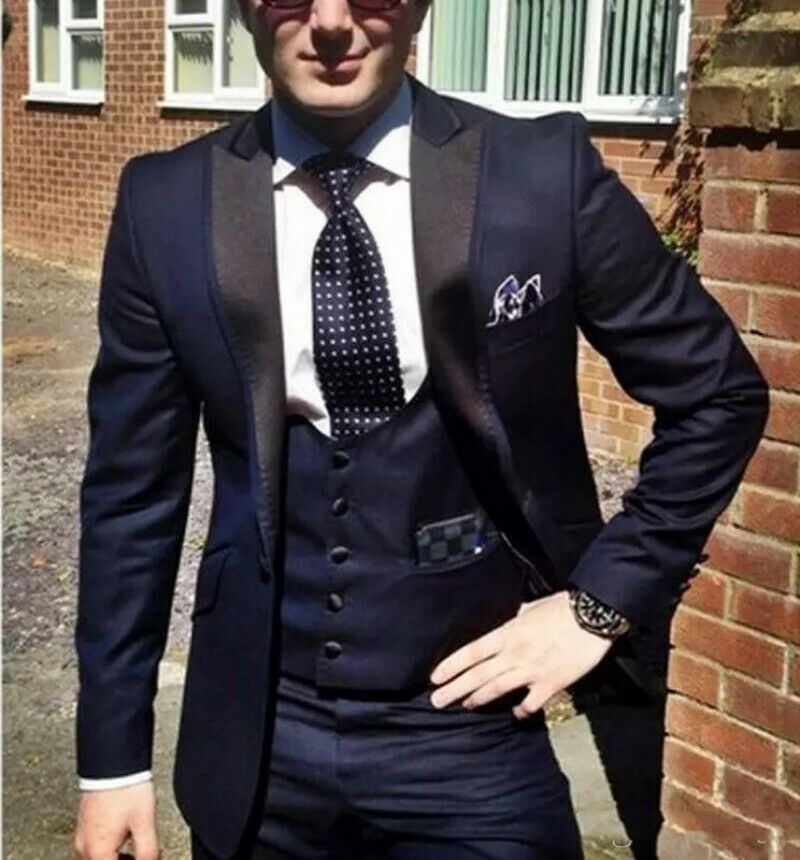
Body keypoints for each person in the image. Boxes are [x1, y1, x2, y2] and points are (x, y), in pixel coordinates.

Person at [72, 0, 769, 858]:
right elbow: (130, 501)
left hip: (475, 735)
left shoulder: (539, 173)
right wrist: (111, 764)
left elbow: (718, 395)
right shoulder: (167, 202)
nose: (332, 22)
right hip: (261, 734)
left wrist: (597, 605)